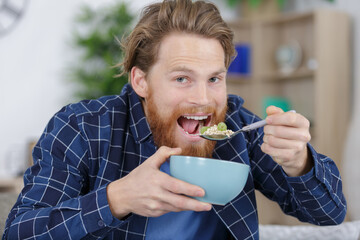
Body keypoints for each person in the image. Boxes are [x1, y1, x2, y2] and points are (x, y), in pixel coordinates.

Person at [3, 0, 346, 239]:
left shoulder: (237, 126)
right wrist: (117, 198)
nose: (202, 99)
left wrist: (299, 161)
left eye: (214, 79)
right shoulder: (81, 128)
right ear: (141, 81)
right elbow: (21, 231)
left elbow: (330, 214)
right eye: (182, 78)